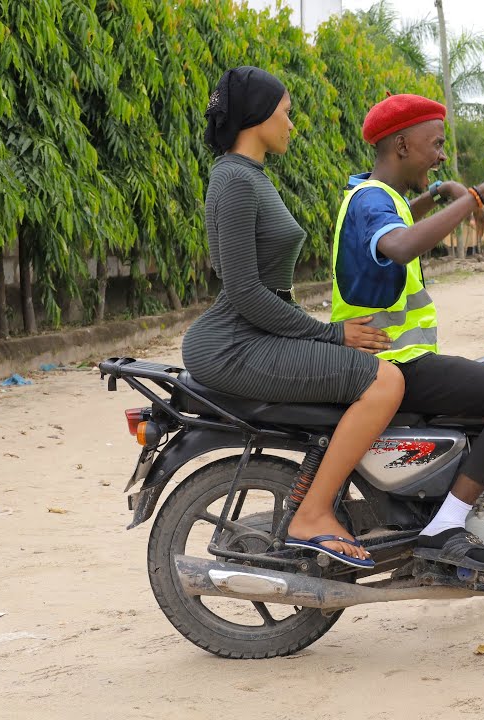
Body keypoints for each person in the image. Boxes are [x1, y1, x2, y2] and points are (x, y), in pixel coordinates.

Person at [182, 66, 406, 569]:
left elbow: (265, 293)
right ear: (257, 116)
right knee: (384, 384)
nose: (291, 124)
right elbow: (242, 291)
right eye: (286, 113)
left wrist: (329, 339)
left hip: (250, 334)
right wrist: (330, 334)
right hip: (233, 344)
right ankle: (313, 513)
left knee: (378, 371)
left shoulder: (247, 176)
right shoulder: (236, 180)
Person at [330, 93, 484, 571]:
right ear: (403, 144)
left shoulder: (370, 193)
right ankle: (445, 524)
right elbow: (401, 244)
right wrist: (481, 193)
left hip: (389, 361)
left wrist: (435, 194)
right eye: (435, 143)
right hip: (394, 364)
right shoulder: (373, 201)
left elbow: (399, 219)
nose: (441, 153)